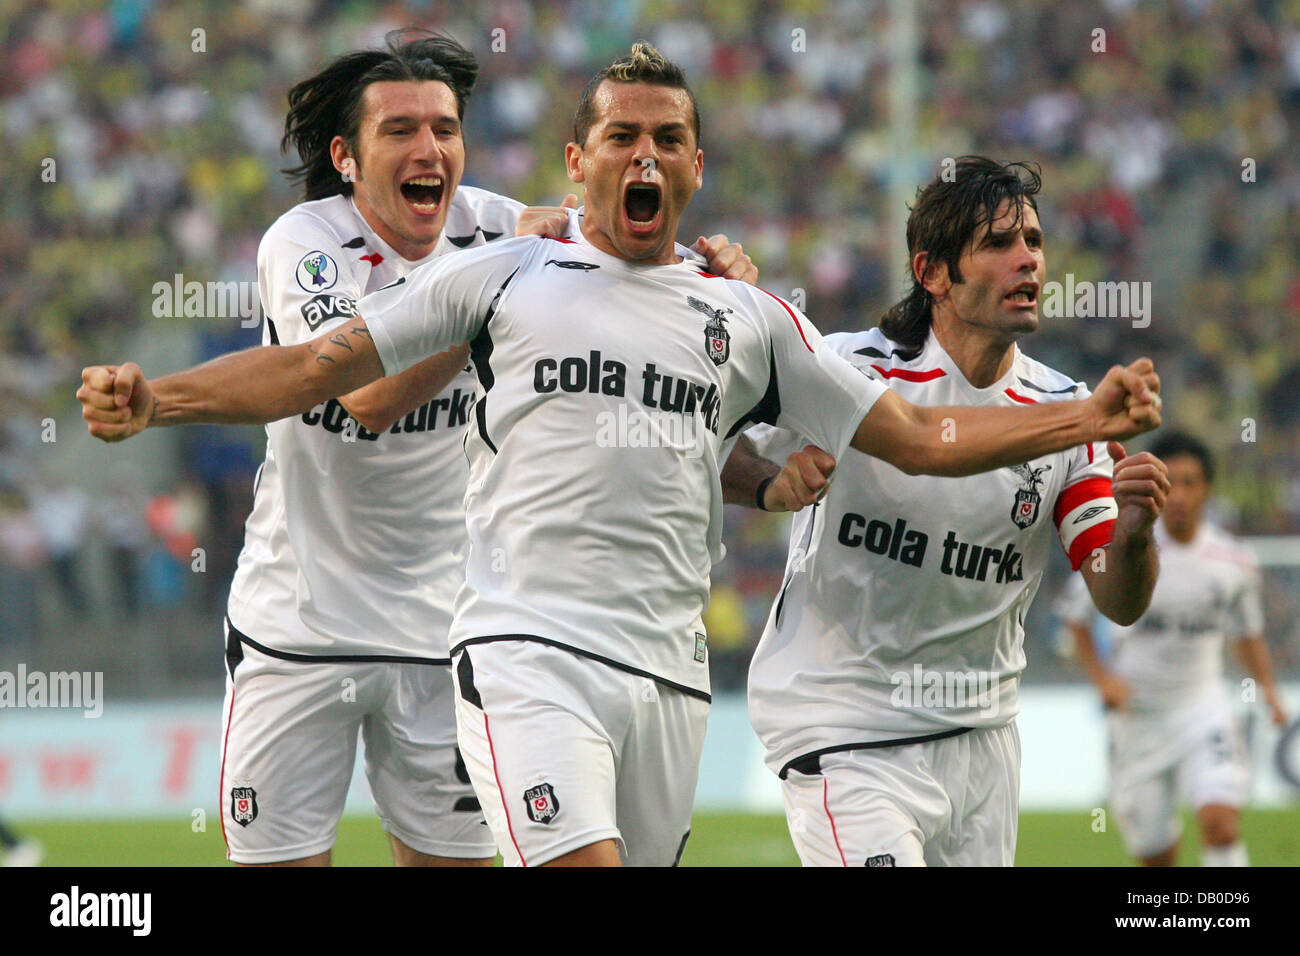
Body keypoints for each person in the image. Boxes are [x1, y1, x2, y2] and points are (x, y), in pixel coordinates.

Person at [78, 47, 1163, 867]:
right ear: (578, 160)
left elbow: (922, 435)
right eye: (619, 139)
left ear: (696, 165)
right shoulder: (497, 272)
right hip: (512, 645)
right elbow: (322, 375)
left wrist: (1083, 421)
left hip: (667, 675)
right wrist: (158, 398)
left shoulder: (745, 314)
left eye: (667, 140)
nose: (643, 157)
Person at [153, 30, 758, 868]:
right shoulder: (306, 244)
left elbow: (632, 316)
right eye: (399, 130)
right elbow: (362, 399)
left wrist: (714, 271)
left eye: (444, 127)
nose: (427, 147)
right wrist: (483, 301)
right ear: (348, 156)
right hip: (301, 625)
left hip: (446, 634)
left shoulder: (502, 231)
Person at [723, 156, 1170, 866]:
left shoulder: (1066, 408)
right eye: (998, 244)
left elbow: (1117, 598)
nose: (1028, 260)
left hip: (981, 739)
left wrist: (1139, 532)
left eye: (1033, 240)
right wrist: (770, 486)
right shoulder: (851, 370)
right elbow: (704, 446)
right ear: (932, 272)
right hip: (845, 724)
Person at [1062, 430, 1288, 866]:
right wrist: (1104, 678)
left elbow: (1248, 635)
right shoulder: (1125, 549)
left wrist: (1270, 692)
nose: (1181, 494)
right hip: (1139, 719)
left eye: (1191, 482)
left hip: (1203, 708)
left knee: (1222, 822)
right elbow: (1075, 618)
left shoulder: (1235, 561)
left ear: (1207, 488)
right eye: (1173, 482)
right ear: (1157, 485)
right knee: (1156, 855)